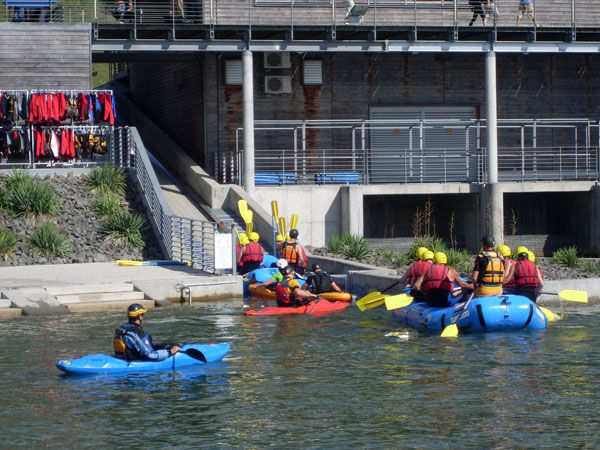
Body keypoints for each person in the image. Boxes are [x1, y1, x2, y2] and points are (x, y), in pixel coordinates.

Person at [113, 304, 180, 361]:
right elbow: (151, 355)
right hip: (137, 362)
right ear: (140, 317)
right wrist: (169, 352)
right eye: (142, 315)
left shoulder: (122, 328)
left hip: (124, 358)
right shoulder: (139, 333)